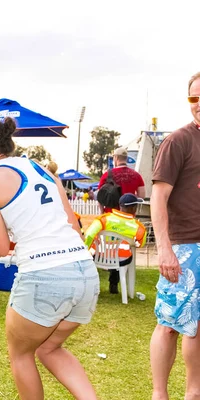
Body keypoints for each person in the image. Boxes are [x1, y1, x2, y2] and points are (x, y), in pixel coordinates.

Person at [0, 114, 99, 399]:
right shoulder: (42, 169)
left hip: (44, 274)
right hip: (85, 271)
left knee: (21, 354)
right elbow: (72, 225)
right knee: (48, 348)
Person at [150, 71, 200, 400]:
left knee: (198, 326)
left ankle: (194, 393)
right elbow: (158, 198)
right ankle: (159, 394)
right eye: (194, 99)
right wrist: (165, 249)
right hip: (184, 247)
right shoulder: (178, 141)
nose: (198, 105)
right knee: (170, 322)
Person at [84, 193, 147, 294]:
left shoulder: (104, 219)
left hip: (99, 257)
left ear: (120, 206)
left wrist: (85, 251)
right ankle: (114, 283)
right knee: (121, 254)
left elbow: (89, 235)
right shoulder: (138, 226)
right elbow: (140, 244)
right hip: (121, 259)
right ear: (134, 207)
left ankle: (93, 286)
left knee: (109, 251)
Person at [97, 146, 145, 213]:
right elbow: (141, 196)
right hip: (128, 216)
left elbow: (100, 197)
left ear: (116, 158)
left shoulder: (107, 175)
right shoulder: (137, 175)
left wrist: (102, 213)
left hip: (111, 215)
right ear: (126, 158)